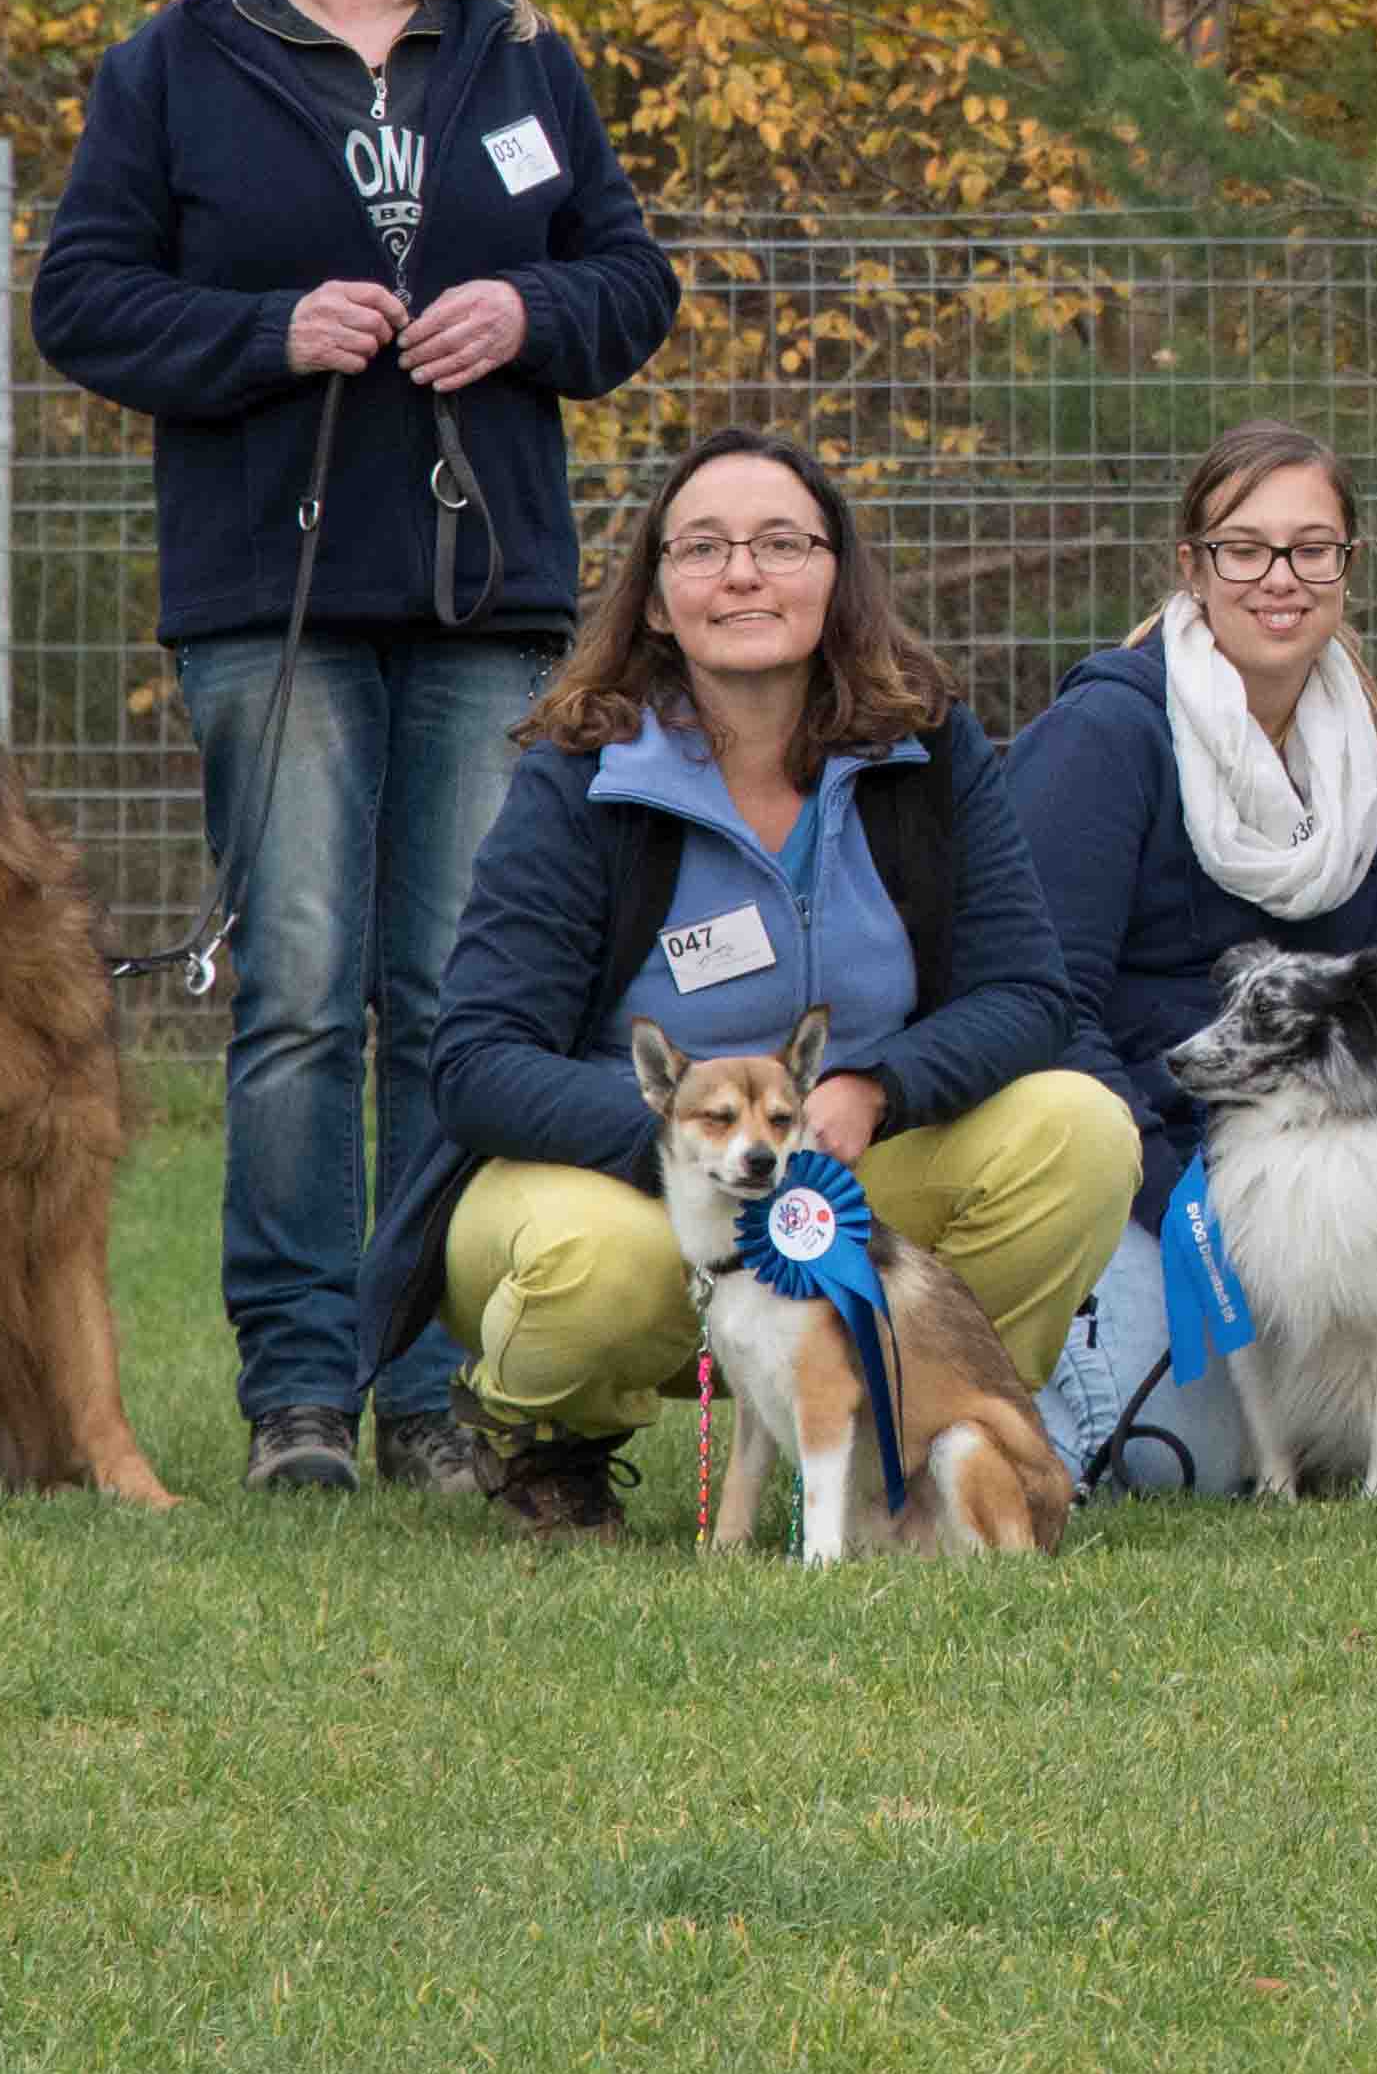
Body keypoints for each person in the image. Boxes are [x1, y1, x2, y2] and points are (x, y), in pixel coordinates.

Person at [34, 0, 677, 1498]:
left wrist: (531, 315)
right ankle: (304, 1388)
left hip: (490, 597)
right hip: (277, 601)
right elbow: (80, 301)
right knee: (304, 990)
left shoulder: (521, 54)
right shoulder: (175, 63)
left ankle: (434, 1388)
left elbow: (633, 282)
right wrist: (265, 333)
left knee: (456, 998)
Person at [358, 429, 1137, 1539]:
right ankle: (550, 1444)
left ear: (836, 576)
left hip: (842, 1173)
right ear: (659, 600)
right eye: (704, 549)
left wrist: (879, 1086)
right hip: (618, 1184)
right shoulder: (582, 772)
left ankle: (917, 1445)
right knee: (600, 1266)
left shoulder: (929, 748)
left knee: (1079, 1128)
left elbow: (1027, 991)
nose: (743, 573)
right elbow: (476, 1058)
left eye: (781, 543)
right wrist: (687, 1146)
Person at [1015, 421, 1377, 1493]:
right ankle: (1075, 1357)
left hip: (1316, 1140)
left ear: (1348, 562)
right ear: (1192, 565)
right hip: (1148, 1148)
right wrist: (1196, 1207)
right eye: (1244, 548)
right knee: (1180, 1466)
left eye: (1311, 548)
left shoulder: (1376, 738)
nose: (1279, 579)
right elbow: (1047, 1003)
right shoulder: (1105, 734)